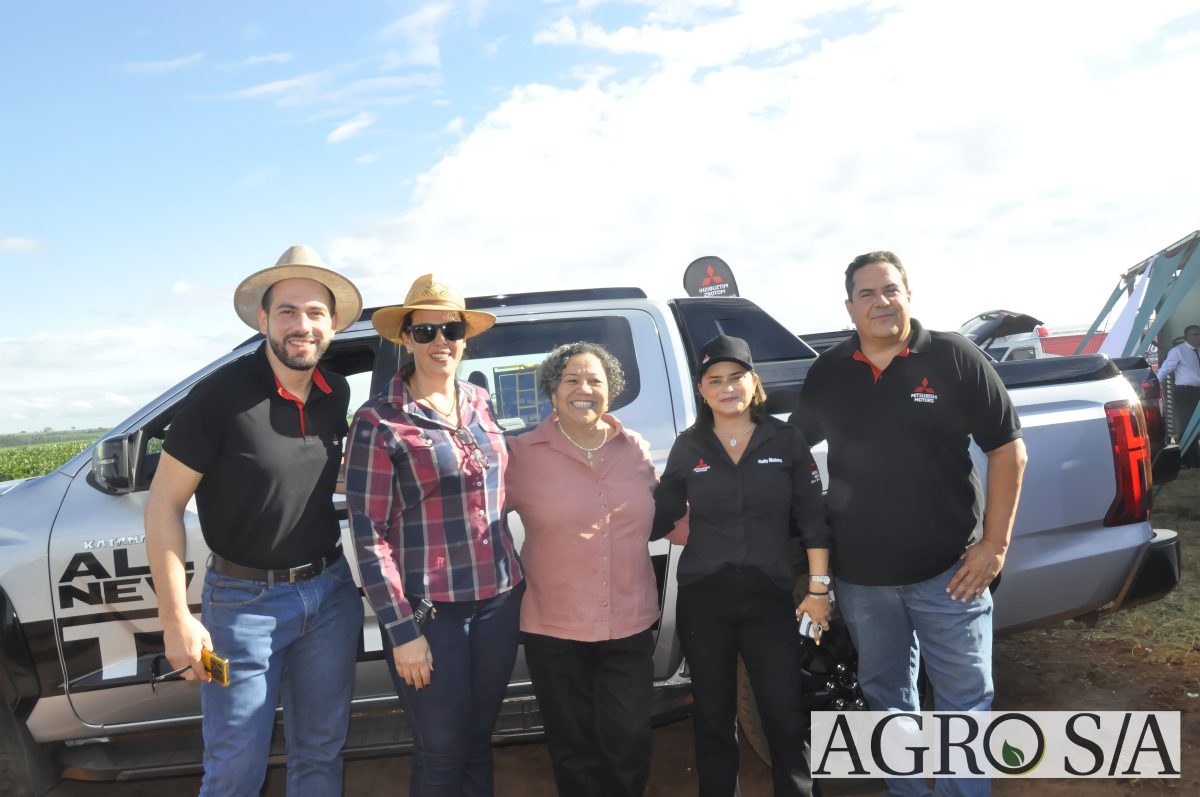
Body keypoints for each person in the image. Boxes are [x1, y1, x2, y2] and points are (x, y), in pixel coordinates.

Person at [795, 251, 1028, 797]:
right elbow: (790, 448)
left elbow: (1008, 450)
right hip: (863, 580)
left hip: (950, 573)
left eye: (890, 290)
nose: (881, 302)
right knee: (887, 699)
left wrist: (995, 544)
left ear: (908, 296)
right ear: (849, 307)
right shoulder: (829, 371)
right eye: (867, 294)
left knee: (964, 704)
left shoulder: (954, 357)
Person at [145, 244, 365, 797]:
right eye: (287, 311)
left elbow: (301, 471)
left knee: (321, 753)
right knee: (235, 771)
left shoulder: (334, 392)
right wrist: (175, 618)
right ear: (263, 320)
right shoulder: (218, 396)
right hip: (244, 608)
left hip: (331, 595)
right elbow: (163, 504)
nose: (302, 325)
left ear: (332, 325)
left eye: (315, 313)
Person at [344, 273, 524, 797]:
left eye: (451, 329)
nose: (440, 340)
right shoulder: (379, 421)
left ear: (464, 337)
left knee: (477, 738)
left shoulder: (479, 401)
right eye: (425, 331)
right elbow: (369, 536)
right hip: (431, 610)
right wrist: (402, 631)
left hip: (498, 599)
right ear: (406, 339)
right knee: (441, 748)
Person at [653, 334, 831, 797]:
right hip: (704, 599)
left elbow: (813, 519)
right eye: (715, 380)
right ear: (701, 390)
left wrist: (818, 590)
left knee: (783, 714)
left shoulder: (786, 439)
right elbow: (659, 512)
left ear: (754, 382)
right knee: (713, 717)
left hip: (769, 598)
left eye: (736, 377)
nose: (727, 387)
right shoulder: (688, 446)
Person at [506, 342, 665, 797]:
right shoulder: (521, 454)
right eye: (571, 380)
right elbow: (476, 515)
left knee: (629, 740)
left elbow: (672, 517)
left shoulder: (634, 448)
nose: (583, 389)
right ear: (552, 392)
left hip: (629, 623)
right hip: (553, 630)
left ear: (610, 391)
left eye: (595, 380)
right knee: (572, 747)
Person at [1157, 324, 1200, 467]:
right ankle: (1190, 460)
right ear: (1187, 336)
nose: (1199, 337)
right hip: (1186, 392)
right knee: (1187, 426)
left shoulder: (1198, 350)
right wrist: (1155, 384)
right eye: (1196, 334)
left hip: (1198, 392)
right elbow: (1165, 369)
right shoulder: (1178, 351)